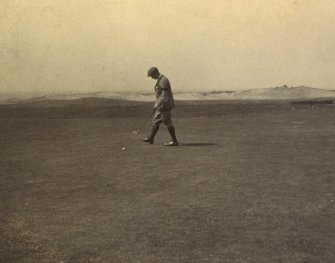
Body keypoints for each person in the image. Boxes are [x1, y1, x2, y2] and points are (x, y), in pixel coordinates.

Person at [142, 67, 178, 146]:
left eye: (151, 75)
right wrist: (158, 105)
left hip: (165, 105)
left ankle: (174, 141)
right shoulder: (160, 80)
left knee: (167, 122)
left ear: (156, 73)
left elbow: (164, 96)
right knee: (156, 120)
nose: (151, 77)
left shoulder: (163, 80)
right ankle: (151, 138)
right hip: (161, 106)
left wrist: (157, 104)